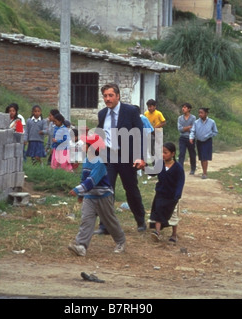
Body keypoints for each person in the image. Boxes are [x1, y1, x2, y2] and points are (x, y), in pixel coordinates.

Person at [95, 82, 147, 234]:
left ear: (118, 96)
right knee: (106, 190)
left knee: (130, 189)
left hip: (127, 157)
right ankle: (104, 225)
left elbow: (140, 135)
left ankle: (140, 220)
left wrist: (140, 157)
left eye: (111, 95)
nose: (108, 99)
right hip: (109, 157)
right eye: (105, 96)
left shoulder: (130, 111)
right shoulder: (102, 114)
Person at [68, 132, 126, 256]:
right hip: (90, 196)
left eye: (86, 144)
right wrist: (81, 195)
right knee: (86, 220)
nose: (83, 146)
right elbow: (84, 179)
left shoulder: (100, 162)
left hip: (103, 196)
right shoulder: (87, 160)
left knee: (109, 221)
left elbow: (92, 180)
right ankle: (81, 246)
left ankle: (121, 242)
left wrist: (78, 190)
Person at [149, 142, 185, 243]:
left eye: (165, 152)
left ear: (172, 154)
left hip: (172, 196)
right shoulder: (160, 164)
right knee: (158, 211)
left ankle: (174, 235)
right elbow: (152, 173)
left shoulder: (178, 168)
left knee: (173, 215)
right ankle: (157, 232)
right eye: (161, 152)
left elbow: (180, 182)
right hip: (161, 193)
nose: (163, 155)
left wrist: (177, 196)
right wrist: (144, 167)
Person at [189, 107, 218, 179]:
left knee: (205, 157)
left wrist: (208, 135)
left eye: (201, 113)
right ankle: (204, 171)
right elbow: (193, 131)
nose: (200, 114)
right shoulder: (196, 122)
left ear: (206, 114)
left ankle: (205, 173)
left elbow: (215, 132)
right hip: (199, 141)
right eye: (199, 113)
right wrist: (191, 137)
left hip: (207, 141)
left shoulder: (212, 122)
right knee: (201, 157)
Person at [177, 103, 197, 175]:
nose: (183, 109)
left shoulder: (193, 118)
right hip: (182, 138)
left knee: (192, 153)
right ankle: (180, 169)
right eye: (183, 107)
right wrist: (188, 127)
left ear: (189, 109)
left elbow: (193, 128)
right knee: (181, 153)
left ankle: (193, 168)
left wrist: (185, 128)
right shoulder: (180, 118)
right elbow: (180, 129)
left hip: (190, 138)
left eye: (185, 107)